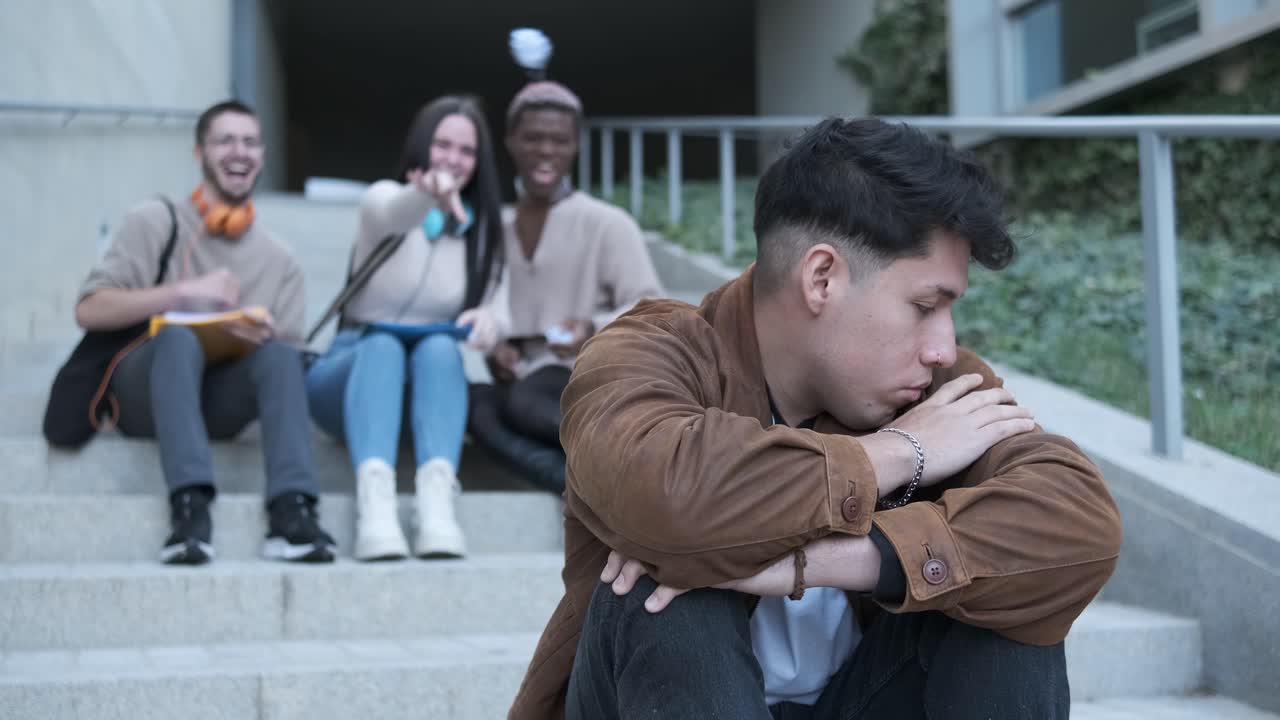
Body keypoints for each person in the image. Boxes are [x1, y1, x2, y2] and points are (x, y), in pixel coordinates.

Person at [507, 118, 1123, 719]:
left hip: (859, 695)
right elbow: (665, 488)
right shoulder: (649, 351)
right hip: (657, 691)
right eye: (925, 305)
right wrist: (899, 452)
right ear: (822, 277)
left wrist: (814, 565)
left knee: (1005, 602)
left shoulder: (937, 384)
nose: (942, 345)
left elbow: (1077, 519)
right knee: (666, 590)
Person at [75, 100, 336, 566]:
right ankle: (190, 508)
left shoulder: (281, 261)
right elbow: (90, 309)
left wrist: (259, 338)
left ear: (262, 155)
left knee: (280, 356)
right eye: (225, 141)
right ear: (199, 154)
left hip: (219, 400)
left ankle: (291, 512)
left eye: (250, 142)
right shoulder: (155, 220)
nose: (240, 151)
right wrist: (182, 295)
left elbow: (289, 367)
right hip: (145, 391)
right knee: (178, 337)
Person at [305, 96, 508, 561]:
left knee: (439, 345)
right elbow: (394, 211)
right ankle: (374, 504)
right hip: (349, 371)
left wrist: (488, 321)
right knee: (384, 344)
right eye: (442, 145)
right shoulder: (383, 200)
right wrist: (427, 195)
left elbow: (500, 310)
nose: (453, 160)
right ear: (422, 145)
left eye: (466, 151)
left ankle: (436, 501)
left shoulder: (484, 234)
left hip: (423, 394)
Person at [468, 81, 663, 495]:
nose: (546, 150)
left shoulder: (607, 223)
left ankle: (624, 460)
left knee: (523, 401)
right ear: (511, 142)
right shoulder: (493, 229)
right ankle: (584, 487)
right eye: (534, 138)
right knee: (476, 403)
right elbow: (484, 309)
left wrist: (590, 326)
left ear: (575, 147)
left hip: (587, 373)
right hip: (522, 378)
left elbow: (656, 309)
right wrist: (498, 350)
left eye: (559, 140)